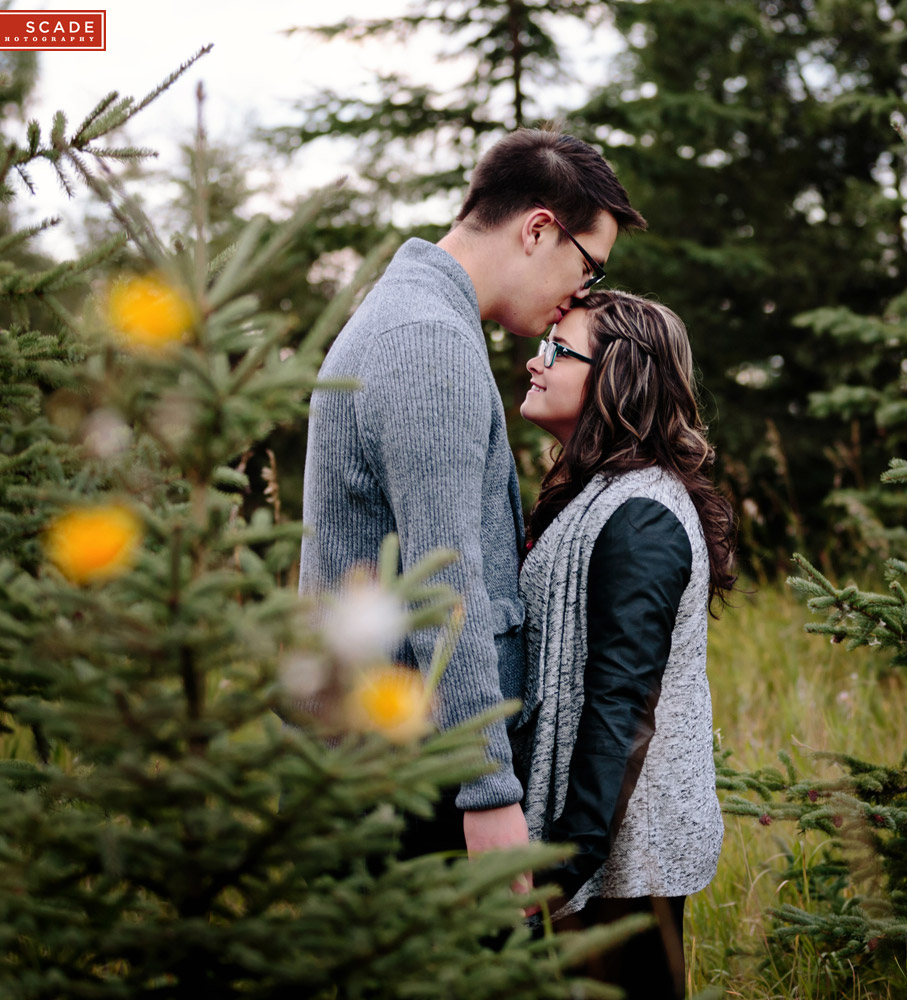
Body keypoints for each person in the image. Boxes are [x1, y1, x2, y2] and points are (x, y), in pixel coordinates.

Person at [298, 126, 646, 862]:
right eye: (587, 269)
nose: (579, 297)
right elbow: (443, 584)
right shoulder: (428, 341)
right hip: (414, 776)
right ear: (538, 229)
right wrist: (489, 793)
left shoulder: (408, 315)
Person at [512, 291, 737, 999]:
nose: (534, 359)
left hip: (626, 862)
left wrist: (562, 869)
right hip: (601, 844)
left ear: (617, 376)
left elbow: (621, 708)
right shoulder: (601, 493)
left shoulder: (640, 514)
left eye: (557, 349)